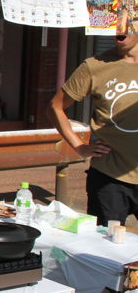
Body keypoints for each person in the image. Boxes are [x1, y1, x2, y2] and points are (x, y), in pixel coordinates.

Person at [47, 33, 138, 226]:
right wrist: (79, 146)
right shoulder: (94, 66)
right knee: (106, 249)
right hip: (109, 178)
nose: (118, 31)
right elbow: (55, 107)